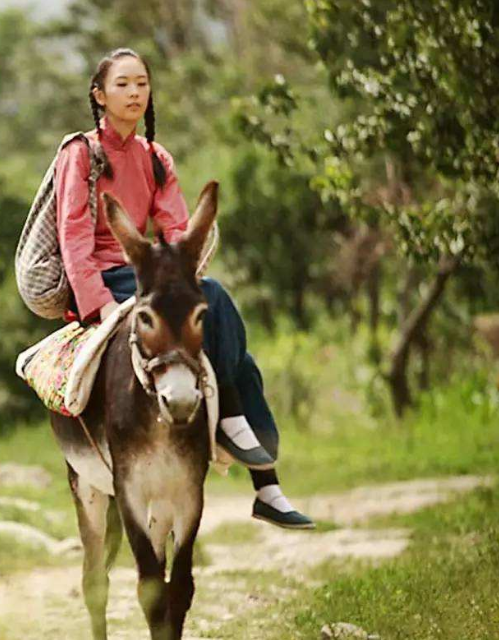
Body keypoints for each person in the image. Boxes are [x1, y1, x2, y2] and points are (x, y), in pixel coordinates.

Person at [55, 47, 314, 529]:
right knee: (214, 296)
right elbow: (73, 236)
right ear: (99, 95)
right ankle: (242, 440)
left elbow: (175, 230)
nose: (134, 93)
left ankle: (267, 487)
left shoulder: (156, 158)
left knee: (221, 326)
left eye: (142, 84)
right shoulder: (81, 154)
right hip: (105, 279)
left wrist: (177, 280)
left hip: (155, 276)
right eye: (123, 84)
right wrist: (102, 306)